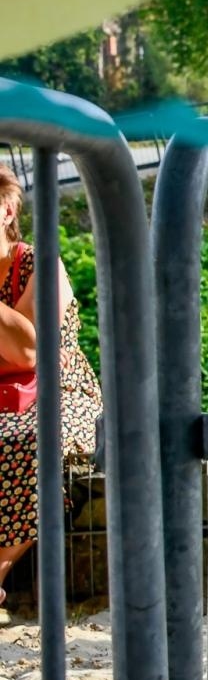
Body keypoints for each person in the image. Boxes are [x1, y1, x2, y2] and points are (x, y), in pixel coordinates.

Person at [0, 164, 102, 613]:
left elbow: (26, 352)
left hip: (57, 393)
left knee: (30, 442)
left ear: (7, 210)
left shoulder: (38, 262)